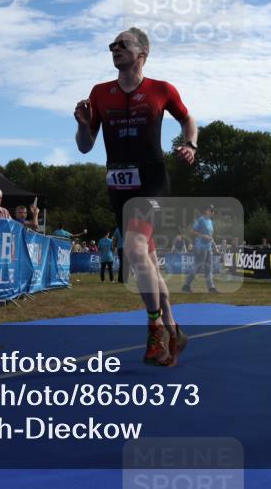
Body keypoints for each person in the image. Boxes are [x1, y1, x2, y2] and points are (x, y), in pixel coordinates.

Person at [74, 27, 197, 366]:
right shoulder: (99, 93)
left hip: (152, 180)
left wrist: (190, 144)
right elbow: (85, 147)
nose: (114, 49)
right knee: (147, 263)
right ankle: (175, 331)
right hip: (118, 184)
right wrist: (84, 125)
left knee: (135, 249)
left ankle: (154, 327)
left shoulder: (161, 89)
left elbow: (188, 119)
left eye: (122, 45)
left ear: (142, 53)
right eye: (111, 45)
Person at [182, 204, 218, 294]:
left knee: (209, 268)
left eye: (213, 210)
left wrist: (215, 246)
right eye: (211, 210)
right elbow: (192, 231)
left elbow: (210, 236)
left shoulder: (210, 221)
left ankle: (211, 288)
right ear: (206, 211)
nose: (213, 212)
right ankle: (186, 286)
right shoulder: (200, 220)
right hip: (200, 247)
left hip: (209, 247)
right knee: (197, 267)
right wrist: (203, 236)